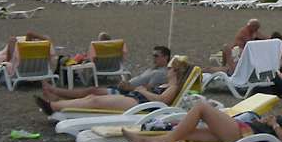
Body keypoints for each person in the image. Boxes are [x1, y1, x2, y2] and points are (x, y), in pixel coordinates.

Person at [122, 103, 282, 142]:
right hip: (243, 130)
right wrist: (268, 121)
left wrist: (274, 124)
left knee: (201, 108)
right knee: (189, 133)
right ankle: (145, 141)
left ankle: (166, 140)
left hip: (242, 133)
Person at [36, 55, 191, 116]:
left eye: (170, 69)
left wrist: (141, 90)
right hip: (136, 99)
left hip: (140, 104)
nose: (167, 71)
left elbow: (162, 101)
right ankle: (56, 105)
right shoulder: (166, 84)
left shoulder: (173, 87)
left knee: (95, 101)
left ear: (175, 71)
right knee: (92, 97)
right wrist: (142, 90)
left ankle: (53, 106)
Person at [41, 45, 169, 101]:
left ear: (165, 57)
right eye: (153, 55)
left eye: (156, 56)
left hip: (128, 94)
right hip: (125, 89)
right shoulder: (154, 69)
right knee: (91, 92)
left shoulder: (161, 73)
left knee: (92, 91)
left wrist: (129, 87)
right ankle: (59, 96)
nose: (153, 58)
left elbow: (150, 91)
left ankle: (56, 93)